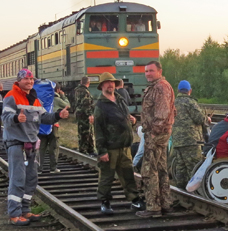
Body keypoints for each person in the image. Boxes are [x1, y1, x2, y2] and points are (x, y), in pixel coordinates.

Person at [2, 69, 70, 225]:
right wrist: (16, 118)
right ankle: (14, 214)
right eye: (26, 79)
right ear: (19, 81)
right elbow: (5, 118)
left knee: (31, 179)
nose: (30, 82)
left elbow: (44, 117)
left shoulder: (34, 99)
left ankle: (25, 210)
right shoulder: (11, 96)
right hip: (16, 143)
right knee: (18, 179)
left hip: (32, 144)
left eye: (31, 79)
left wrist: (58, 115)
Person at [93, 72, 143, 214]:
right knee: (107, 176)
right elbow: (98, 129)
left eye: (112, 82)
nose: (110, 85)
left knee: (128, 174)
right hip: (110, 147)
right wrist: (102, 151)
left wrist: (131, 122)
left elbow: (124, 117)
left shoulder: (120, 100)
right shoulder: (101, 105)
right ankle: (105, 202)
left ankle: (134, 200)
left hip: (125, 146)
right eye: (107, 82)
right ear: (102, 85)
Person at [137, 61, 175, 217]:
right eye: (146, 71)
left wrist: (154, 133)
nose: (148, 74)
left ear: (159, 71)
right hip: (160, 133)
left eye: (151, 71)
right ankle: (165, 204)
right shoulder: (161, 86)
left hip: (156, 134)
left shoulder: (160, 88)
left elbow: (163, 112)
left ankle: (153, 207)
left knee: (149, 170)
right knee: (160, 168)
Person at [171, 80, 210, 189]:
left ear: (178, 90)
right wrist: (207, 118)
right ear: (190, 91)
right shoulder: (190, 102)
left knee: (180, 167)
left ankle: (181, 193)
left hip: (177, 141)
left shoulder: (173, 102)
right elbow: (199, 119)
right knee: (194, 167)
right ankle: (195, 193)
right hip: (191, 141)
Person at [38, 83, 70, 173]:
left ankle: (39, 168)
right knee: (54, 147)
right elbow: (68, 105)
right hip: (53, 125)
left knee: (41, 147)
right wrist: (63, 96)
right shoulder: (56, 99)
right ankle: (53, 168)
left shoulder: (40, 98)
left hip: (42, 125)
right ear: (57, 90)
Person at [74, 76, 96, 155]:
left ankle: (90, 149)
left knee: (84, 131)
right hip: (85, 115)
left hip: (79, 114)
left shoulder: (77, 90)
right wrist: (90, 115)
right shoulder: (85, 92)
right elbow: (86, 105)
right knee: (86, 132)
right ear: (88, 83)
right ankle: (84, 149)